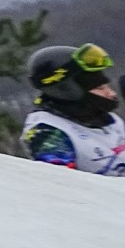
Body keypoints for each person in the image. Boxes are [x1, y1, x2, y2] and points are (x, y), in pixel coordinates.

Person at [21, 44, 125, 175]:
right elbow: (62, 184)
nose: (112, 94)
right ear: (67, 90)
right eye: (100, 88)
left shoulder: (106, 119)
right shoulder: (48, 131)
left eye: (107, 87)